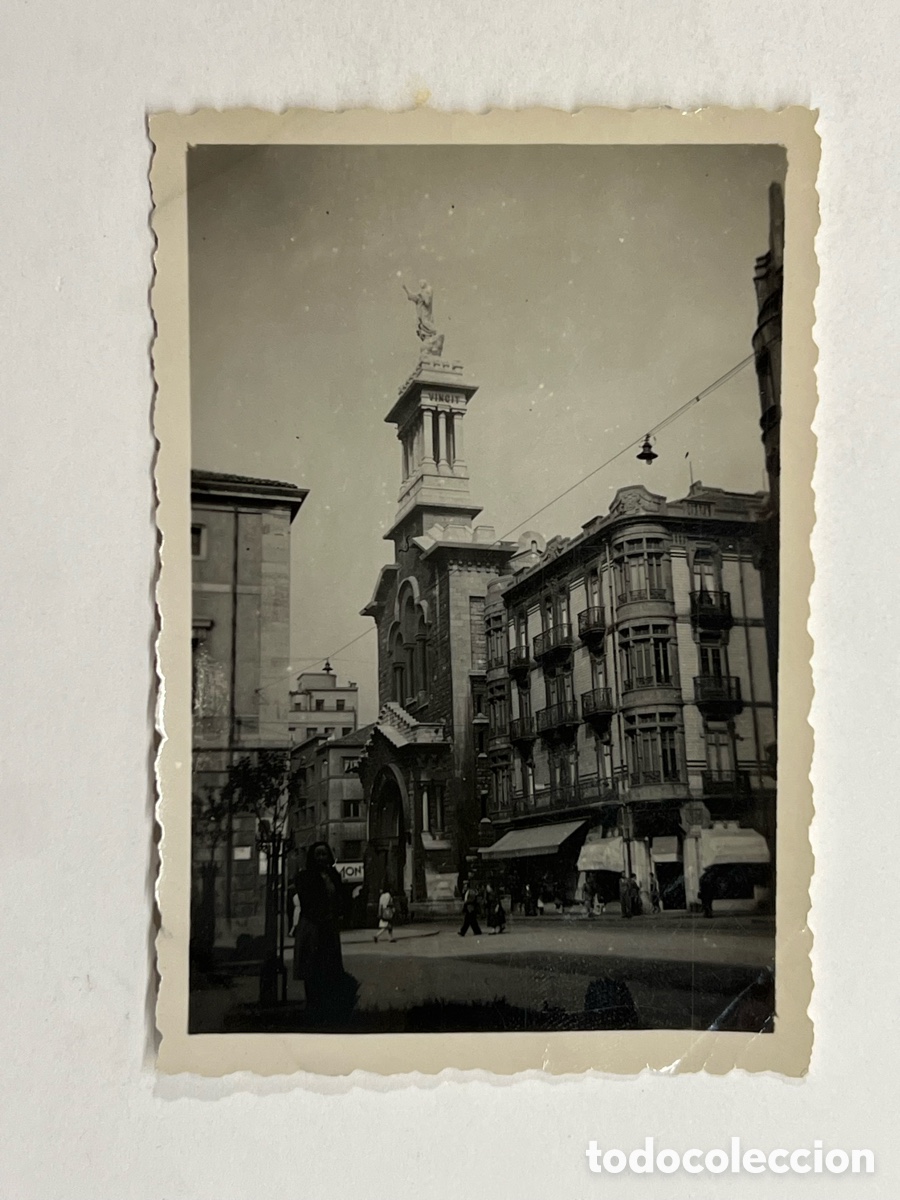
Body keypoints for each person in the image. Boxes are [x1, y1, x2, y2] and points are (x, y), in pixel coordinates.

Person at [290, 842, 353, 1017]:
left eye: (324, 854)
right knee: (312, 967)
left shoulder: (333, 875)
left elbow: (340, 897)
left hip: (329, 926)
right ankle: (313, 1005)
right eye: (317, 854)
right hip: (312, 926)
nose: (321, 858)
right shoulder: (304, 876)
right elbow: (307, 902)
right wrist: (321, 916)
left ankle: (328, 1007)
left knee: (329, 966)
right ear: (312, 857)